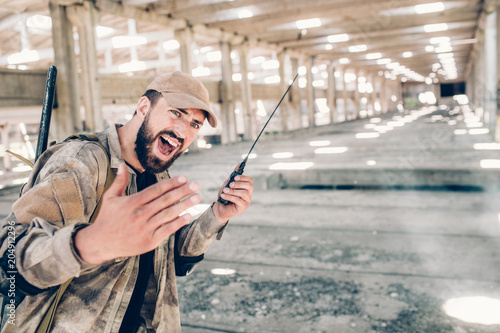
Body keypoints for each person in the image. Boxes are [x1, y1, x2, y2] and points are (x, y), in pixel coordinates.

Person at [1, 71, 253, 332]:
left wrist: (218, 215)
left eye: (194, 124)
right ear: (144, 107)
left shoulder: (155, 173)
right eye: (176, 113)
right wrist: (86, 244)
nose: (182, 130)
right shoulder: (81, 163)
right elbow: (7, 256)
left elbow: (168, 257)